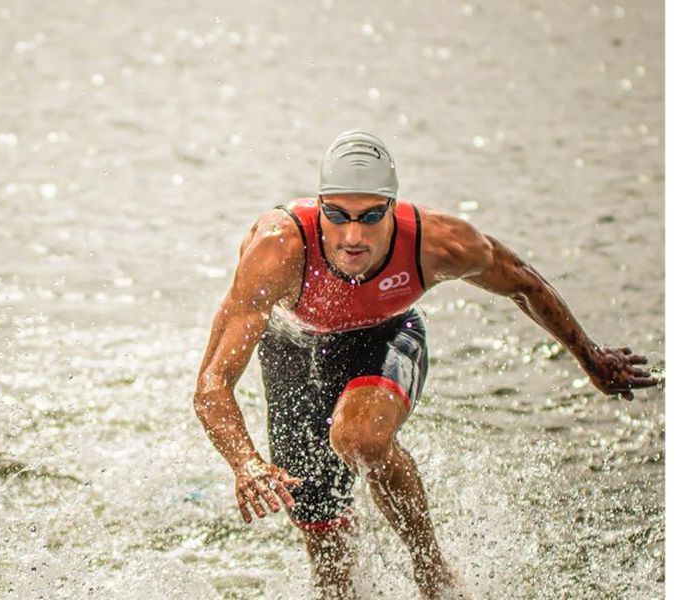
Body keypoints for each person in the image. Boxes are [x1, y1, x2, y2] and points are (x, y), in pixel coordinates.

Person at [194, 130, 657, 599]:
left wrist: (591, 358)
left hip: (386, 335)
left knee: (360, 438)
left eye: (370, 217)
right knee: (325, 550)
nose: (352, 236)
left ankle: (430, 567)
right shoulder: (278, 248)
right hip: (294, 349)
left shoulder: (439, 243)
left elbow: (525, 285)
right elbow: (212, 384)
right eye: (337, 215)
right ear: (320, 207)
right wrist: (246, 464)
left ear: (392, 209)